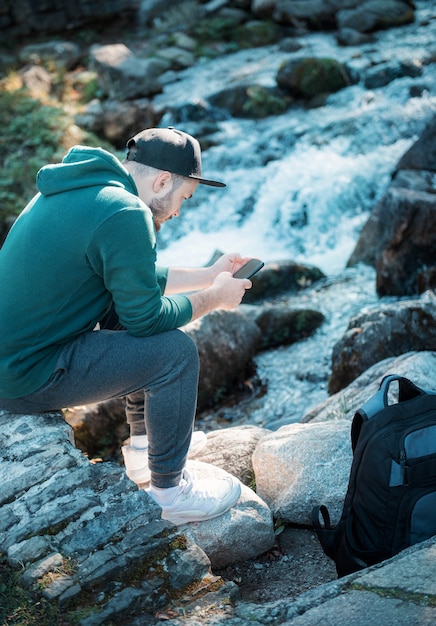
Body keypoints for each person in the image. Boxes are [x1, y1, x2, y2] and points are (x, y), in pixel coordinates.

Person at [0, 126, 253, 525]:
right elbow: (147, 318)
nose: (177, 212)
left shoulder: (88, 191)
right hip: (25, 375)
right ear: (163, 180)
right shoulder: (127, 212)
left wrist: (208, 274)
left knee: (123, 313)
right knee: (175, 353)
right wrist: (216, 298)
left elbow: (131, 277)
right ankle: (171, 495)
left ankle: (143, 452)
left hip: (13, 360)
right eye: (183, 198)